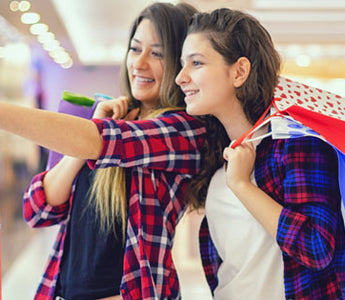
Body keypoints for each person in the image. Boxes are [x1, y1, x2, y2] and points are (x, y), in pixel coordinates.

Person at [8, 3, 224, 300]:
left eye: (157, 53)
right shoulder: (105, 125)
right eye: (135, 49)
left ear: (180, 62)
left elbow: (114, 142)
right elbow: (38, 209)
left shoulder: (184, 131)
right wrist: (91, 130)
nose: (139, 63)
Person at [176, 8, 345, 300]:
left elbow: (319, 248)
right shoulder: (218, 154)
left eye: (197, 63)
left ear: (239, 71)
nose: (181, 77)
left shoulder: (297, 145)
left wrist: (242, 186)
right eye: (182, 65)